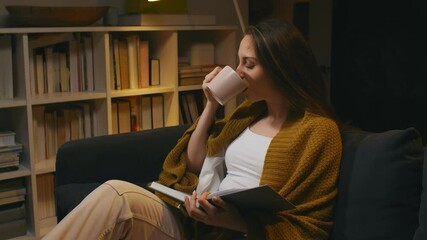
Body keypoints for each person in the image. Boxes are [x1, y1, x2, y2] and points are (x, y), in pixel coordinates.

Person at [43, 19, 342, 240]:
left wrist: (236, 222)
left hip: (232, 233)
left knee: (119, 202)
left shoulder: (318, 133)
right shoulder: (250, 113)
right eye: (239, 61)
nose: (237, 71)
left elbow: (309, 228)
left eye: (248, 64)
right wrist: (211, 105)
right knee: (115, 192)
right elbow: (197, 163)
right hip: (199, 221)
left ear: (281, 68)